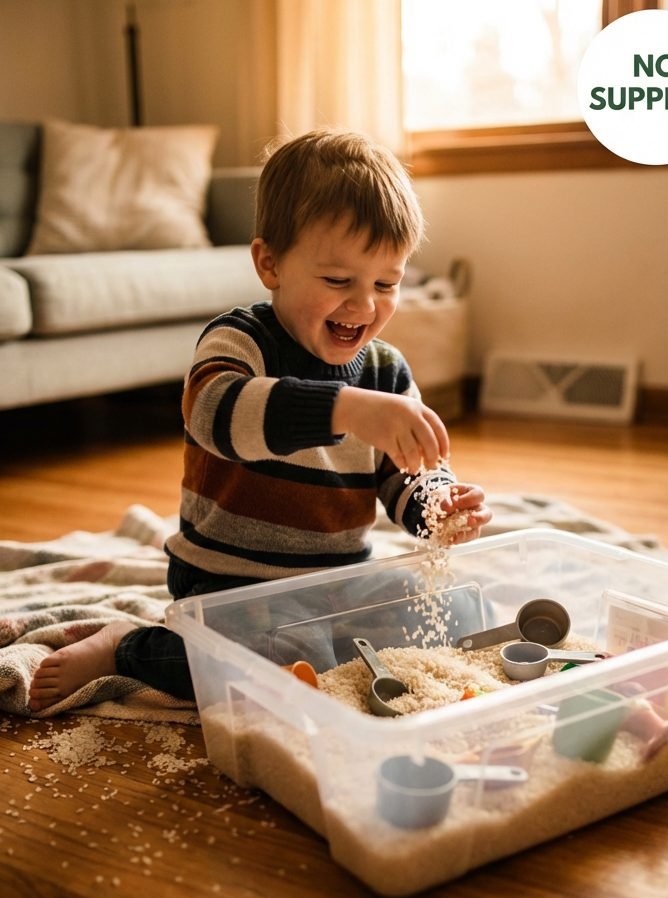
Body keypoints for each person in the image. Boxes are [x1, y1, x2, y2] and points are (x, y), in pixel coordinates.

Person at [29, 129, 491, 712]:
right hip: (229, 585)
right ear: (269, 264)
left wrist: (437, 505)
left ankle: (322, 645)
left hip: (335, 584)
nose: (365, 306)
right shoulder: (238, 341)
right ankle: (129, 647)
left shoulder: (385, 372)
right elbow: (217, 414)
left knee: (462, 606)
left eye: (386, 283)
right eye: (337, 281)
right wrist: (345, 409)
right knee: (276, 663)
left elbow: (405, 476)